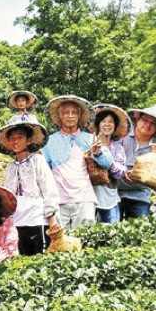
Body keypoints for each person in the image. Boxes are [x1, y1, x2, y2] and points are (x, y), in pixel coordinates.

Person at [41, 95, 112, 230]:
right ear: (60, 116)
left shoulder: (90, 138)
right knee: (60, 245)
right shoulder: (49, 142)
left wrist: (97, 152)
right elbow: (44, 171)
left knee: (85, 243)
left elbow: (108, 163)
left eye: (74, 112)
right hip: (58, 201)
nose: (70, 116)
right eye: (66, 112)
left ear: (79, 116)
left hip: (84, 199)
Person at [0, 120, 60, 255]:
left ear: (28, 140)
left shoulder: (37, 161)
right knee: (21, 257)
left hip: (37, 217)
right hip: (17, 220)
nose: (15, 141)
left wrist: (51, 217)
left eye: (20, 138)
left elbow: (49, 189)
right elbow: (8, 196)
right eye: (12, 138)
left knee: (40, 257)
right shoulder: (10, 168)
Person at [116, 104, 156, 219]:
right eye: (145, 120)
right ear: (138, 119)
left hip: (140, 194)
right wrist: (123, 171)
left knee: (140, 230)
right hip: (116, 191)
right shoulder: (122, 135)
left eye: (153, 123)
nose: (147, 125)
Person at [89, 104, 131, 224]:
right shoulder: (88, 143)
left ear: (115, 126)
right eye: (103, 121)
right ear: (98, 124)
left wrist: (107, 161)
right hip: (90, 198)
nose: (107, 124)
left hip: (111, 198)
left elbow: (121, 173)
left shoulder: (118, 148)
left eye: (111, 122)